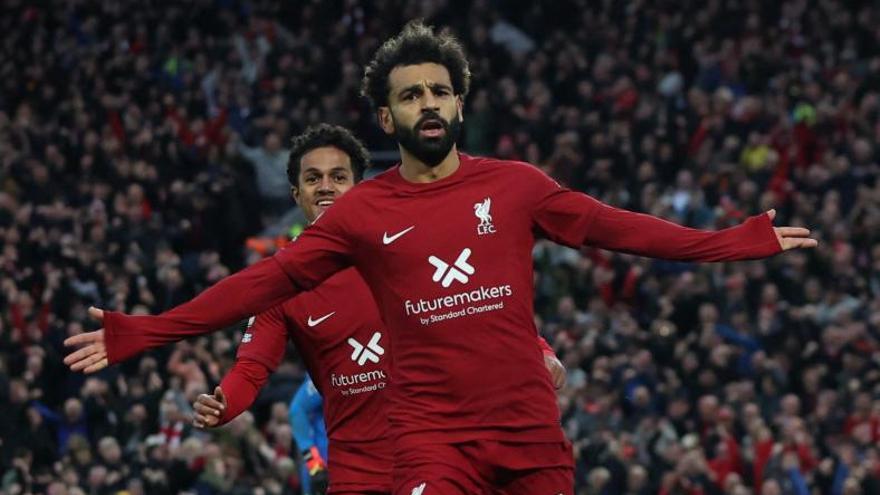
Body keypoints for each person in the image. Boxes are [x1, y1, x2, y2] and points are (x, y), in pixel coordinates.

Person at [65, 21, 816, 494]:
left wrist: (731, 240)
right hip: (430, 442)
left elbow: (615, 228)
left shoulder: (519, 187)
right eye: (409, 95)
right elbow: (261, 283)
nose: (427, 103)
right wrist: (145, 330)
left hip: (527, 431)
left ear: (458, 103)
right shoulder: (362, 211)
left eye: (438, 90)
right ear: (386, 116)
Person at [67, 123, 565, 494]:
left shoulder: (406, 250)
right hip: (358, 474)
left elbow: (483, 307)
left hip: (446, 457)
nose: (325, 186)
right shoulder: (282, 282)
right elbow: (251, 367)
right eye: (312, 178)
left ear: (361, 187)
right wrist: (227, 404)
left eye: (338, 176)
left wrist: (538, 348)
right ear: (297, 195)